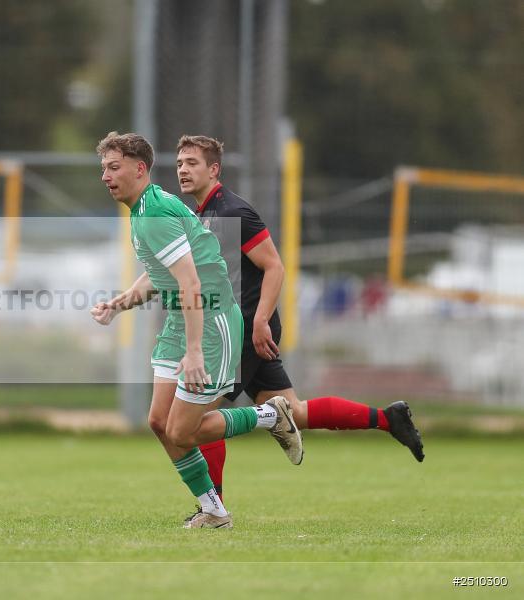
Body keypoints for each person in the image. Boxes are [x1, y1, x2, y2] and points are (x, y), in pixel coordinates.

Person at [173, 134, 424, 507]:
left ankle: (213, 506)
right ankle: (389, 418)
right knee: (297, 411)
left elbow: (274, 266)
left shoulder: (233, 212)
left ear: (214, 169)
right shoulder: (204, 214)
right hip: (242, 329)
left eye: (192, 162)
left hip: (244, 330)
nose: (183, 170)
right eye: (179, 163)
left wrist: (259, 322)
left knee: (197, 419)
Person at [90, 132, 303, 529]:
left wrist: (194, 352)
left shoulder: (153, 214)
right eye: (103, 168)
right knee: (159, 422)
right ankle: (214, 512)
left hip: (211, 321)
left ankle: (270, 416)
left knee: (182, 431)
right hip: (181, 319)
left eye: (113, 167)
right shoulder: (145, 210)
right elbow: (160, 276)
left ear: (140, 169)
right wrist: (118, 305)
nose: (105, 176)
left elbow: (191, 284)